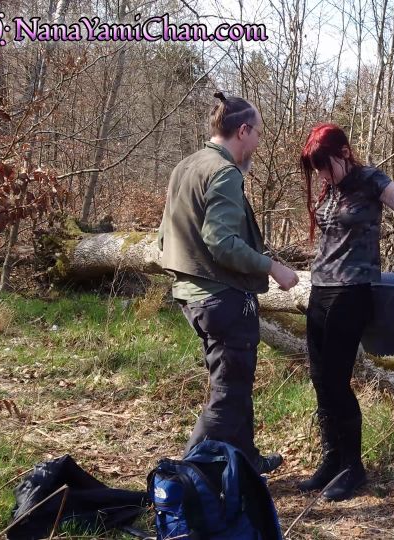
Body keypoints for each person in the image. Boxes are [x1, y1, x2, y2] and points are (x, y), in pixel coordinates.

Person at [158, 91, 299, 474]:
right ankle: (184, 483)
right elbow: (221, 242)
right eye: (257, 133)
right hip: (221, 299)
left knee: (235, 383)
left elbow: (164, 237)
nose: (258, 142)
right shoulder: (224, 173)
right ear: (242, 130)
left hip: (193, 297)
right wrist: (272, 267)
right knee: (227, 394)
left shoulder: (186, 166)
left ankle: (244, 460)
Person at [298, 123, 394, 501]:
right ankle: (331, 460)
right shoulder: (330, 188)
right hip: (321, 289)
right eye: (317, 168)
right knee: (318, 379)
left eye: (325, 165)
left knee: (336, 380)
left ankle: (352, 468)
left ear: (343, 152)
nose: (322, 174)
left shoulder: (370, 179)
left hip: (352, 291)